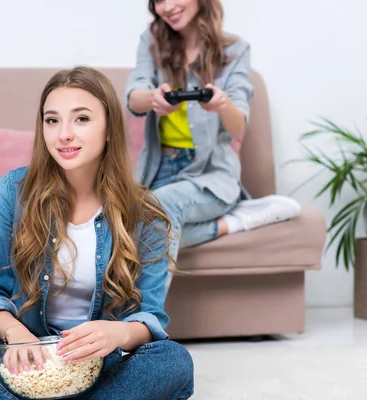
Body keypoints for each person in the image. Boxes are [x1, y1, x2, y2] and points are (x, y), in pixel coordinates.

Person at [0, 67, 194, 400]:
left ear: (110, 128)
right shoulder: (11, 192)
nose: (63, 134)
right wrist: (16, 333)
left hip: (99, 370)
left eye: (81, 119)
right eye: (52, 120)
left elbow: (150, 316)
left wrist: (118, 333)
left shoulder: (144, 211)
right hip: (24, 368)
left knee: (173, 362)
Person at [126, 0, 301, 266]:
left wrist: (222, 104)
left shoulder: (235, 50)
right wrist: (154, 97)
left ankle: (147, 310)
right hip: (158, 170)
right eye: (159, 1)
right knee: (129, 232)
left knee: (157, 208)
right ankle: (231, 223)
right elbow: (132, 98)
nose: (167, 7)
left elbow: (238, 125)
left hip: (211, 175)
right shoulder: (152, 40)